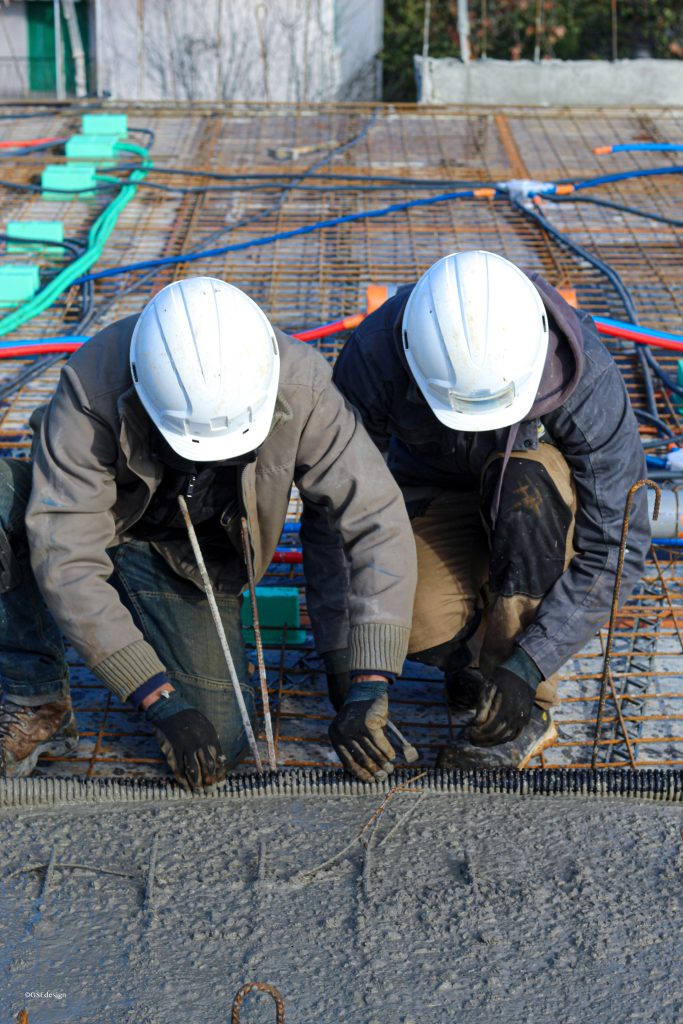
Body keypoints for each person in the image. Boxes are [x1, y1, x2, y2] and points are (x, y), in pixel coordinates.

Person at [0, 276, 416, 788]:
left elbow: (377, 519)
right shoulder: (94, 385)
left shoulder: (302, 388)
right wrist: (157, 698)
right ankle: (37, 698)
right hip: (110, 525)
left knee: (219, 740)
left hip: (189, 561)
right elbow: (65, 552)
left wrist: (368, 677)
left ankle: (144, 617)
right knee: (4, 498)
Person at [302, 249, 651, 770]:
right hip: (433, 493)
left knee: (524, 487)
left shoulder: (582, 373)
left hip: (530, 498)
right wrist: (342, 659)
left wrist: (530, 665)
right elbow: (334, 510)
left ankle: (525, 705)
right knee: (410, 622)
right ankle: (469, 659)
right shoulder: (376, 355)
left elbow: (618, 546)